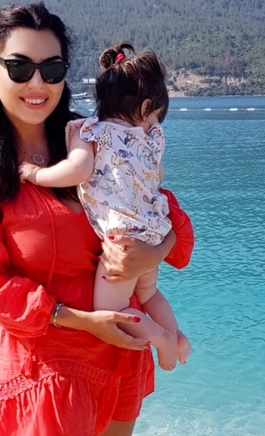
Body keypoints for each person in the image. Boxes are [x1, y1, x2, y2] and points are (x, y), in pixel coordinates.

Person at [0, 3, 194, 436]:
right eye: (20, 67)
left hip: (121, 352)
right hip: (53, 359)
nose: (37, 83)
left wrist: (153, 252)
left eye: (52, 69)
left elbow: (164, 209)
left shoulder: (90, 138)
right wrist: (83, 321)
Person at [19, 43, 191, 372]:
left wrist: (36, 174)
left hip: (121, 240)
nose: (154, 123)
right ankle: (178, 335)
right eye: (156, 116)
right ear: (146, 106)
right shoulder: (152, 139)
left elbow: (78, 170)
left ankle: (162, 339)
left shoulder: (91, 132)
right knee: (150, 295)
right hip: (154, 232)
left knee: (110, 309)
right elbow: (158, 176)